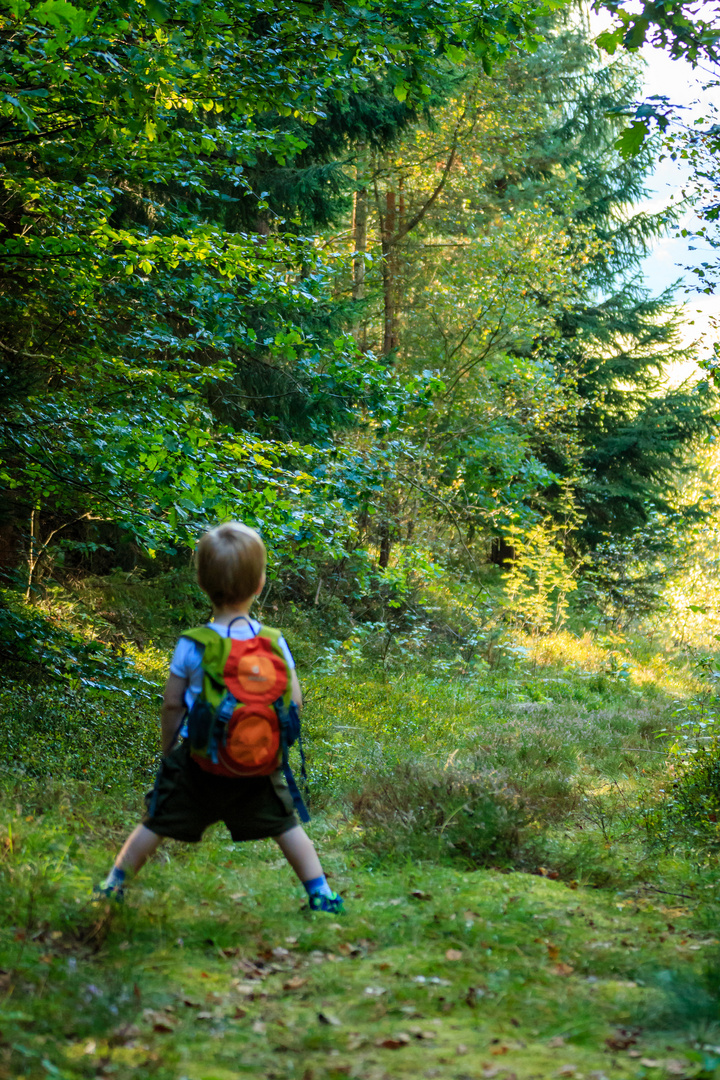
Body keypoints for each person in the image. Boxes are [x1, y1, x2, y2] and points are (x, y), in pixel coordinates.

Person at [96, 521, 343, 913]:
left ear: (201, 581)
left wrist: (168, 751)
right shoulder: (273, 641)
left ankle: (113, 886)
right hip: (258, 763)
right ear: (260, 584)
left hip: (199, 762)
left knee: (156, 821)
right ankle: (321, 895)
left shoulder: (192, 644)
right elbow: (294, 700)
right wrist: (270, 742)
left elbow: (173, 704)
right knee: (286, 826)